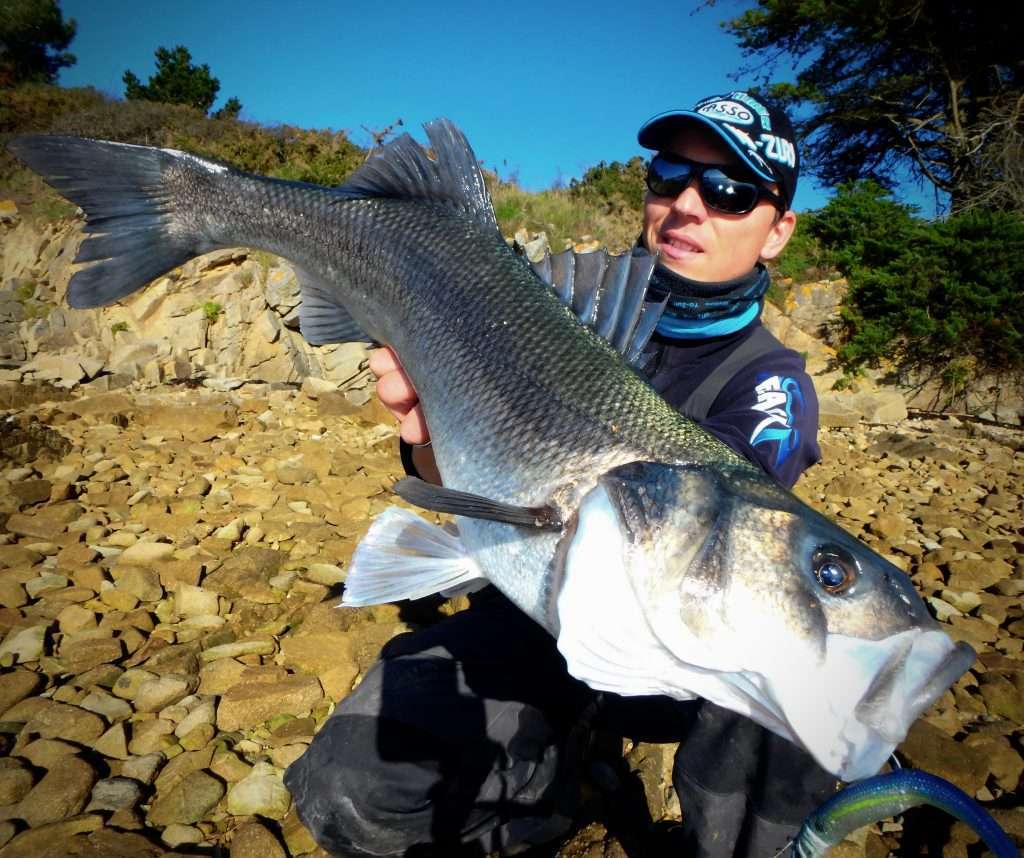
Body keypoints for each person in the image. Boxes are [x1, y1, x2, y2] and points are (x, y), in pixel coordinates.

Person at [285, 90, 840, 857]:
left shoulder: (770, 384)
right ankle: (552, 792)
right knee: (353, 788)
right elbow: (450, 474)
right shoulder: (545, 306)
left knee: (808, 675)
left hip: (684, 650)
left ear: (777, 231)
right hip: (533, 600)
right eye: (669, 175)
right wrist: (426, 439)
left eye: (729, 191)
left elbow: (723, 528)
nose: (686, 205)